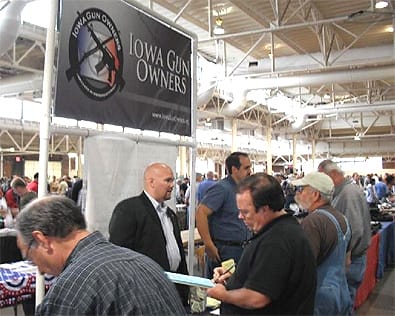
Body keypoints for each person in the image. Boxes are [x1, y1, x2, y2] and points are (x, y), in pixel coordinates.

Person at [15, 195, 186, 316]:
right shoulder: (146, 264)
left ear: (42, 240)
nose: (40, 270)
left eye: (30, 257)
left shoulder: (74, 287)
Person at [207, 173, 316, 315]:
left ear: (265, 209)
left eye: (245, 212)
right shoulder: (279, 230)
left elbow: (257, 298)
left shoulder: (277, 241)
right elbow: (271, 276)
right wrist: (236, 276)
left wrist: (223, 295)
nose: (240, 217)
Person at [108, 162, 189, 306]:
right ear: (151, 182)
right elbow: (117, 257)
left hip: (173, 291)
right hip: (144, 294)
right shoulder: (128, 210)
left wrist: (185, 291)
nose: (172, 185)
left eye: (172, 180)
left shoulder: (170, 214)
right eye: (168, 180)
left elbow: (179, 256)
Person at [292, 172, 353, 315]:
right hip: (341, 291)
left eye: (302, 189)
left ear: (315, 195)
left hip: (320, 297)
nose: (298, 194)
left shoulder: (313, 222)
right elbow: (347, 261)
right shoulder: (342, 218)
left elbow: (304, 268)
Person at [318, 160, 371, 304]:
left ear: (333, 174)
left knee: (344, 303)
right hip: (350, 260)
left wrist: (345, 256)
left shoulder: (348, 194)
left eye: (323, 178)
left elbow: (356, 230)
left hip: (350, 261)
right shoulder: (343, 192)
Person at [196, 152, 252, 278]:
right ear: (234, 169)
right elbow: (201, 213)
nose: (250, 171)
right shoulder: (222, 188)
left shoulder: (241, 189)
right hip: (226, 251)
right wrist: (208, 244)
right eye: (246, 168)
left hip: (242, 249)